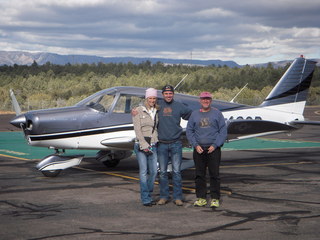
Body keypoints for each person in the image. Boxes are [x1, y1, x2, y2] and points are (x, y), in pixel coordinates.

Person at [186, 91, 227, 208]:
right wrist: (195, 145)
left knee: (214, 174)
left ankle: (215, 198)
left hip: (213, 149)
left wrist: (215, 145)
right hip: (199, 149)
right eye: (203, 99)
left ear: (211, 100)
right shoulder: (194, 114)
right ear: (200, 101)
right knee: (199, 175)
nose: (205, 101)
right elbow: (189, 131)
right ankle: (201, 198)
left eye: (208, 99)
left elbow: (222, 131)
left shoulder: (217, 114)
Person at [157, 85, 192, 206]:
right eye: (166, 93)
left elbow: (191, 115)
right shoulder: (157, 106)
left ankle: (178, 197)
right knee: (162, 172)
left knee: (176, 172)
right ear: (162, 94)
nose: (168, 95)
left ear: (173, 94)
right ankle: (164, 196)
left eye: (170, 93)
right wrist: (135, 110)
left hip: (176, 143)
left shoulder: (179, 106)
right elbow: (144, 108)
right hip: (161, 144)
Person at [132, 88, 159, 207]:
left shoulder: (157, 111)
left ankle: (148, 191)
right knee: (143, 172)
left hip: (153, 144)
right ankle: (146, 198)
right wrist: (144, 145)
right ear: (146, 99)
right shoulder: (138, 111)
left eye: (154, 98)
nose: (152, 100)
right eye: (150, 98)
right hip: (141, 145)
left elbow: (156, 128)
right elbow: (137, 130)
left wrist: (153, 143)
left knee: (153, 172)